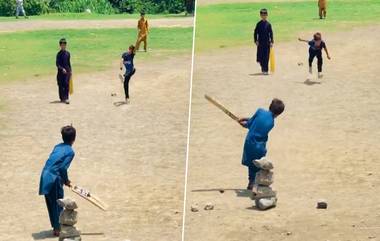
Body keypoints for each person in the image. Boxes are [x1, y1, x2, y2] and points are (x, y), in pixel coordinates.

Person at [238, 99, 285, 190]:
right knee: (259, 164)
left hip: (249, 142)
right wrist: (246, 121)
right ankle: (257, 183)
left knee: (252, 163)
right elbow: (256, 122)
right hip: (259, 146)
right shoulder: (272, 123)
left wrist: (244, 121)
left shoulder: (259, 111)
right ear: (278, 114)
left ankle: (251, 182)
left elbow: (250, 123)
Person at [39, 126, 76, 236]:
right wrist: (66, 180)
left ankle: (56, 227)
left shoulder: (57, 146)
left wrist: (64, 180)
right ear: (74, 138)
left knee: (51, 203)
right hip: (54, 178)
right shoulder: (70, 152)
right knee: (58, 203)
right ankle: (58, 228)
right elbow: (62, 168)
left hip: (45, 175)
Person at [253, 9, 274, 75]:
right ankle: (263, 67)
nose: (264, 16)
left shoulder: (268, 24)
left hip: (267, 43)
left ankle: (266, 70)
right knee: (260, 57)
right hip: (260, 43)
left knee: (266, 57)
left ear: (267, 15)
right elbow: (255, 33)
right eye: (262, 15)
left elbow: (271, 33)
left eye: (265, 15)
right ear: (260, 16)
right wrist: (256, 40)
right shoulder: (258, 24)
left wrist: (271, 41)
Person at [56, 38, 72, 104]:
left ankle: (66, 98)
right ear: (60, 45)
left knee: (66, 84)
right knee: (60, 85)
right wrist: (62, 69)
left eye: (64, 44)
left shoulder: (68, 53)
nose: (63, 46)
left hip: (67, 72)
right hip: (60, 73)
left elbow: (68, 63)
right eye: (62, 44)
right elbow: (57, 64)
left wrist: (70, 70)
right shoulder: (58, 54)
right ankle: (62, 98)